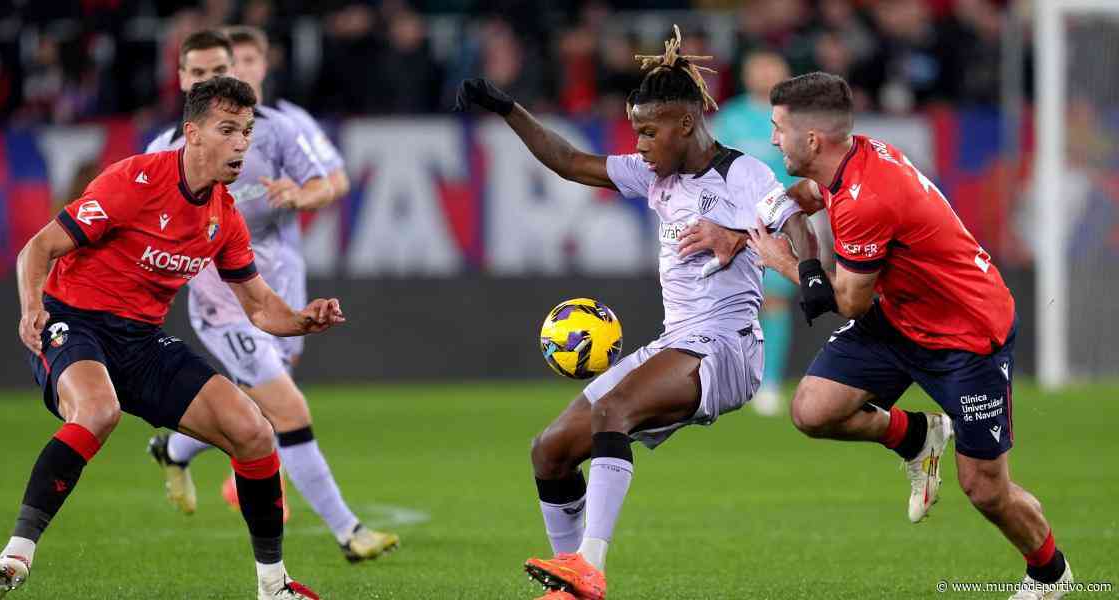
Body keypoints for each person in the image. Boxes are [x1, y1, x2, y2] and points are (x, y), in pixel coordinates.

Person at [456, 26, 817, 600]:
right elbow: (570, 161)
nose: (641, 144)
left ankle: (591, 568)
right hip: (678, 342)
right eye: (636, 131)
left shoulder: (742, 174)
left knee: (614, 410)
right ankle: (568, 582)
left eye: (649, 131)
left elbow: (796, 222)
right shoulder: (656, 175)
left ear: (687, 123)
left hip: (727, 348)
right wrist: (507, 108)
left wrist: (750, 243)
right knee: (549, 451)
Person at [0, 76, 332, 600]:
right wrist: (32, 307)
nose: (242, 144)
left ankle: (273, 587)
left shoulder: (224, 217)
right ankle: (16, 555)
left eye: (247, 131)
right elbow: (39, 246)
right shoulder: (135, 181)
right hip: (74, 321)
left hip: (141, 341)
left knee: (253, 431)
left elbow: (259, 306)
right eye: (228, 129)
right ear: (193, 134)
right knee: (98, 412)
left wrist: (304, 319)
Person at [749, 72, 1073, 599]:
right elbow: (813, 192)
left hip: (967, 338)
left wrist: (789, 263)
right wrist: (779, 208)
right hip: (903, 316)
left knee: (986, 491)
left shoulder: (866, 200)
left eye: (777, 128)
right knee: (813, 409)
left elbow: (848, 302)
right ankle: (919, 437)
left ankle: (1051, 574)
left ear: (811, 140)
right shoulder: (851, 158)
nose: (771, 139)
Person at [144, 28, 398, 562]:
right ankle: (349, 532)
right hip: (224, 307)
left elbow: (331, 182)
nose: (208, 81)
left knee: (255, 408)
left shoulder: (275, 130)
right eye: (197, 74)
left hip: (279, 293)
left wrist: (301, 195)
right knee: (286, 409)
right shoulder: (164, 151)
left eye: (219, 71)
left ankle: (173, 447)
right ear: (181, 80)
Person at [713, 50, 796, 416]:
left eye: (771, 65)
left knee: (774, 303)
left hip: (779, 220)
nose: (765, 72)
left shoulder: (794, 115)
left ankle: (770, 382)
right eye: (758, 66)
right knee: (728, 303)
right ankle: (725, 378)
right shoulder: (730, 117)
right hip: (732, 221)